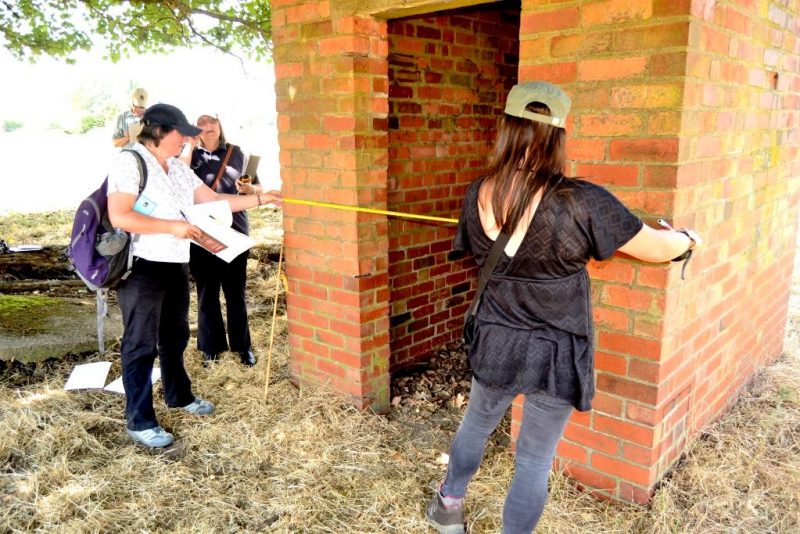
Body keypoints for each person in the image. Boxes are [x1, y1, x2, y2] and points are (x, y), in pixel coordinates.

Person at [425, 81, 702, 534]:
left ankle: (447, 508)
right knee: (533, 458)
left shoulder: (478, 191)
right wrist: (688, 239)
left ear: (507, 128)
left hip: (496, 336)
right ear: (558, 135)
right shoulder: (580, 200)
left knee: (476, 425)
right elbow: (656, 248)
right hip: (555, 350)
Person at [106, 103, 281, 449]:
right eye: (181, 133)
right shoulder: (131, 161)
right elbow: (120, 216)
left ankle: (179, 395)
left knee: (174, 336)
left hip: (174, 263)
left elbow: (213, 200)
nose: (187, 139)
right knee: (140, 343)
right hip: (141, 266)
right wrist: (173, 226)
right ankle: (140, 419)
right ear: (158, 131)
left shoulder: (176, 167)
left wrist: (263, 199)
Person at [180, 113, 263, 367]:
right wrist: (189, 146)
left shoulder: (238, 153)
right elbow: (178, 179)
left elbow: (257, 187)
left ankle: (243, 347)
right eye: (201, 123)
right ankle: (211, 349)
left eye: (211, 122)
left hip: (234, 231)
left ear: (220, 125)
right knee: (207, 293)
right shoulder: (186, 156)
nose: (207, 127)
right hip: (201, 234)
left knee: (235, 293)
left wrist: (252, 191)